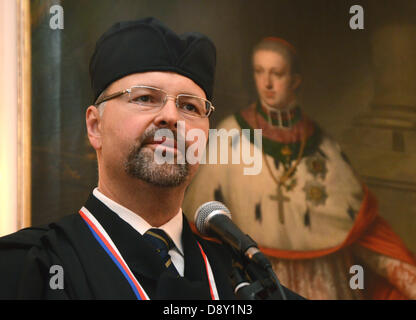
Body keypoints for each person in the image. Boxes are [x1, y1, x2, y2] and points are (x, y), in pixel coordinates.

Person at [0, 18, 302, 300]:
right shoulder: (27, 269)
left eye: (190, 107)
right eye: (145, 98)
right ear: (95, 127)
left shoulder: (247, 286)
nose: (171, 117)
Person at [184, 37, 416, 299]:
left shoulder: (322, 146)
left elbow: (362, 228)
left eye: (277, 74)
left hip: (324, 281)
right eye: (259, 72)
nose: (267, 83)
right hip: (254, 280)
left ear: (294, 80)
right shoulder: (230, 135)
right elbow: (196, 227)